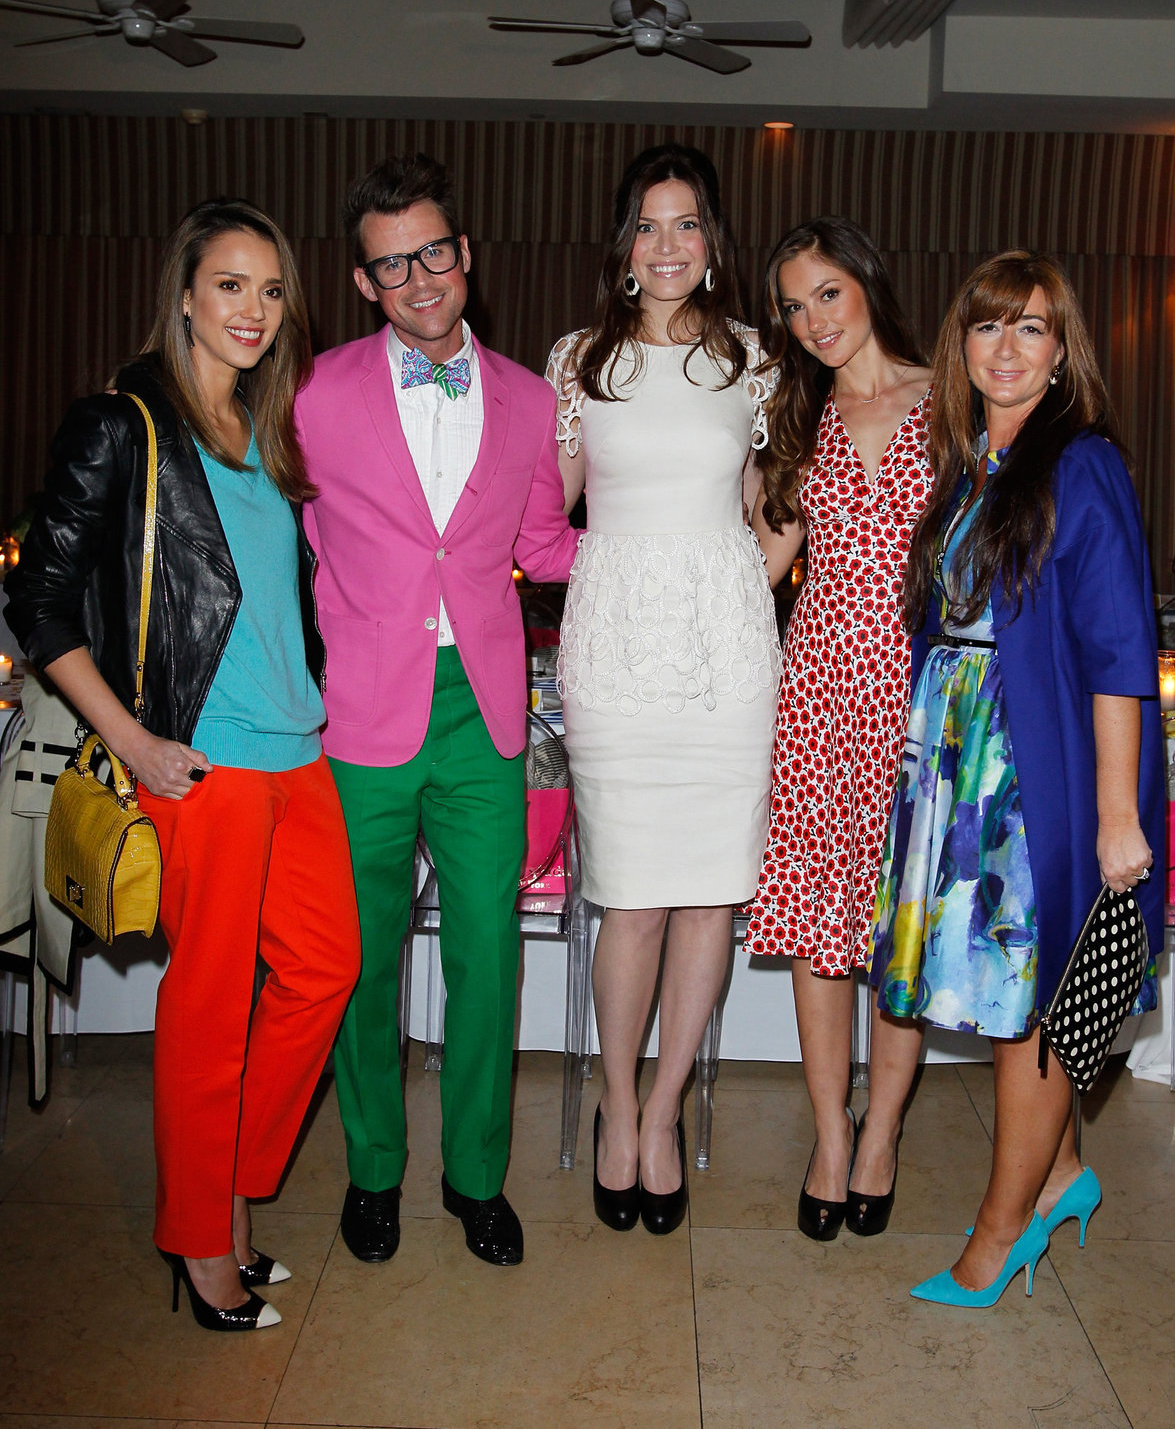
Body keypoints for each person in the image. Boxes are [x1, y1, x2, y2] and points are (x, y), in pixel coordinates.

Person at [4, 199, 361, 1331]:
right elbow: (38, 601)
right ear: (186, 295)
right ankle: (204, 1244)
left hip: (297, 754)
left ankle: (229, 1191)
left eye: (271, 289)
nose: (253, 309)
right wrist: (133, 739)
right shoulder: (123, 424)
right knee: (210, 1005)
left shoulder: (265, 433)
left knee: (325, 971)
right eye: (229, 285)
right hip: (201, 763)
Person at [295, 154, 580, 1269]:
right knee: (361, 962)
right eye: (390, 264)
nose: (417, 279)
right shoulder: (311, 393)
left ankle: (475, 1179)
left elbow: (543, 545)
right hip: (358, 712)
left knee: (488, 959)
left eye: (432, 253)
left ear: (465, 254)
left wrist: (671, 554)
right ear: (362, 282)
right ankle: (373, 1171)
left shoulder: (529, 398)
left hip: (483, 714)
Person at [870, 250, 1164, 1306]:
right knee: (1014, 994)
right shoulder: (969, 466)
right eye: (987, 326)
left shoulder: (1080, 465)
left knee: (1025, 1005)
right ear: (959, 346)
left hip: (1030, 772)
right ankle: (1064, 1172)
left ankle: (998, 1239)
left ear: (1060, 351)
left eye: (1030, 327)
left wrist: (1117, 817)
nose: (1006, 347)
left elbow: (1120, 653)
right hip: (959, 763)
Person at [547, 143, 781, 1236]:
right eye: (648, 224)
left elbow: (769, 507)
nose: (668, 244)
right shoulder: (578, 360)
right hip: (614, 659)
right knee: (631, 899)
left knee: (710, 899)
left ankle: (664, 1104)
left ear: (712, 240)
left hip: (726, 661)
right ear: (623, 245)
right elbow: (542, 512)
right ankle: (616, 1102)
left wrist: (732, 587)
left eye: (687, 223)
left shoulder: (754, 360)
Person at [744, 218, 933, 1241]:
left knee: (895, 926)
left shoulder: (949, 402)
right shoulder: (794, 420)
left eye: (826, 292)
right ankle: (829, 1135)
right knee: (823, 927)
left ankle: (880, 1135)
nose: (811, 319)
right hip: (816, 691)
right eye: (792, 305)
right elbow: (758, 570)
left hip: (914, 692)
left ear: (865, 281)